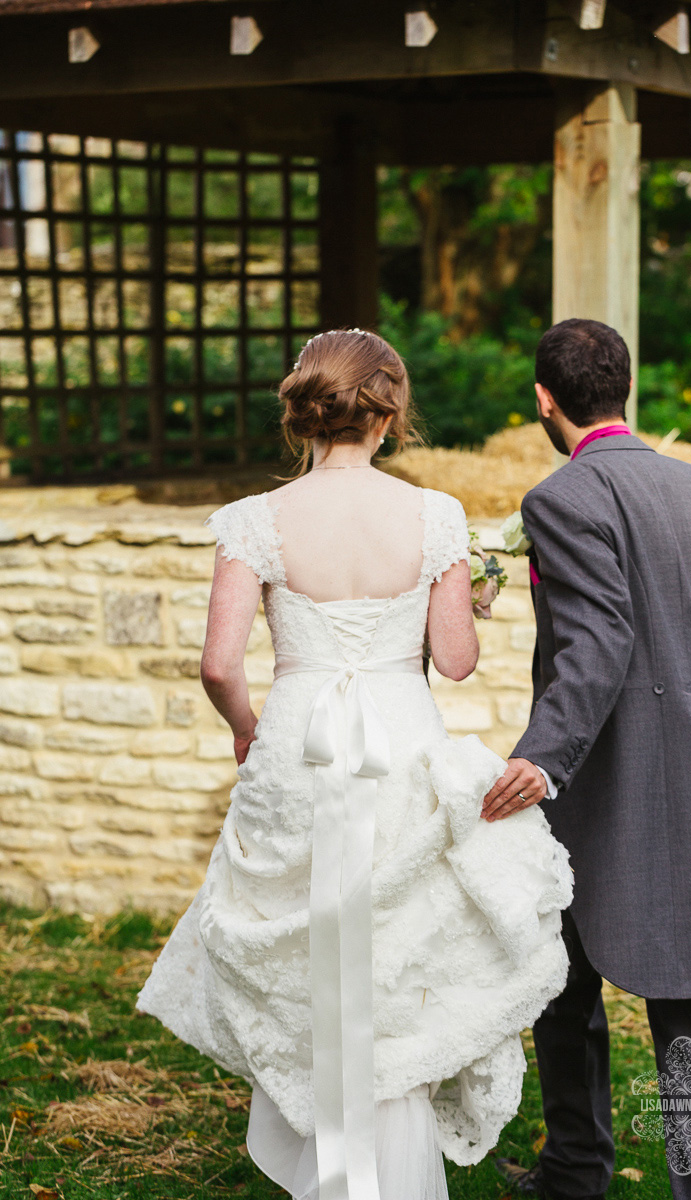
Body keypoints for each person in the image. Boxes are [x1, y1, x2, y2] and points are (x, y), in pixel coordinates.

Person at [135, 328, 574, 1200]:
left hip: (297, 744)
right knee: (398, 949)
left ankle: (323, 1164)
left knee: (305, 948)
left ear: (305, 415)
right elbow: (454, 661)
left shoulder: (252, 521)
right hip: (398, 745)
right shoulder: (435, 516)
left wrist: (246, 727)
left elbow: (219, 664)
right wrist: (468, 599)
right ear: (389, 412)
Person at [484, 318, 691, 1200]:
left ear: (544, 401)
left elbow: (599, 636)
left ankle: (577, 1166)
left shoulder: (561, 499)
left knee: (563, 990)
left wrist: (544, 756)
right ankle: (682, 1186)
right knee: (688, 1004)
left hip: (594, 784)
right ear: (624, 388)